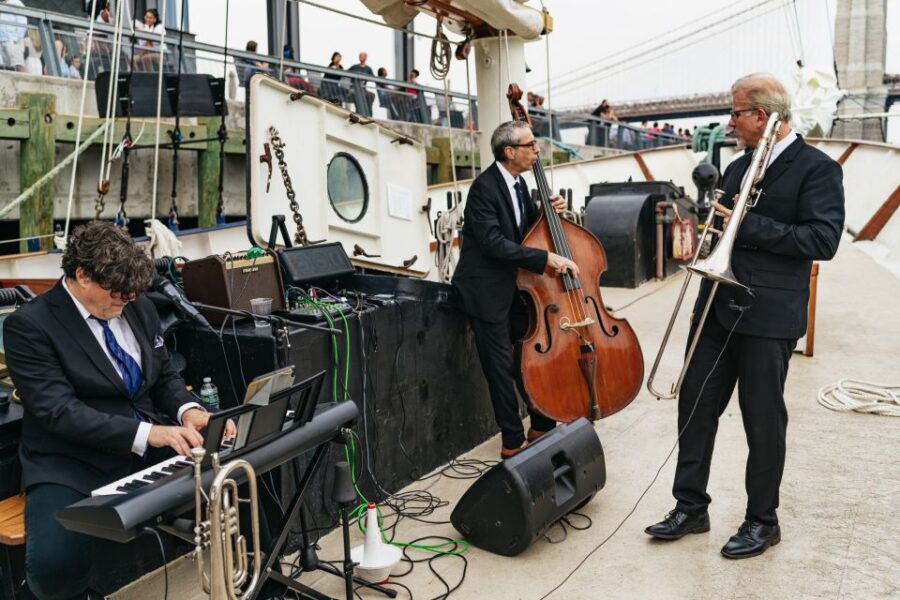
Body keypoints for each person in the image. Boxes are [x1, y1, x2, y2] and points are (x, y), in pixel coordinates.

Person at [644, 73, 845, 559]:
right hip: (716, 309)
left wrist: (747, 223)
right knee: (693, 408)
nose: (729, 122)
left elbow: (822, 240)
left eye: (736, 113)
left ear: (763, 116)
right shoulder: (735, 169)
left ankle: (762, 521)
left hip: (768, 315)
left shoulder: (816, 169)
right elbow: (721, 236)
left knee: (763, 422)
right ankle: (690, 507)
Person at [3, 222, 228, 599]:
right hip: (70, 460)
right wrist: (150, 434)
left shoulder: (135, 306)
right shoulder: (29, 326)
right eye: (115, 296)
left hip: (147, 443)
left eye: (129, 297)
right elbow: (59, 412)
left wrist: (190, 410)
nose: (123, 305)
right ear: (81, 275)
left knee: (235, 480)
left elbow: (163, 377)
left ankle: (262, 586)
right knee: (54, 566)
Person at [451, 121, 579, 459]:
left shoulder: (521, 185)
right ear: (511, 152)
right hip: (486, 291)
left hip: (518, 289)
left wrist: (548, 213)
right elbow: (494, 242)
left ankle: (541, 425)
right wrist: (547, 258)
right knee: (499, 368)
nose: (537, 151)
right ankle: (511, 441)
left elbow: (522, 229)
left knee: (530, 361)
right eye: (531, 145)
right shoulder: (483, 189)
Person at [0, 0, 27, 72]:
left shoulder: (16, 2)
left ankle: (28, 82)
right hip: (1, 40)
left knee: (19, 65)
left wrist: (16, 39)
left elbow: (23, 22)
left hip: (12, 40)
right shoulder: (2, 4)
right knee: (4, 68)